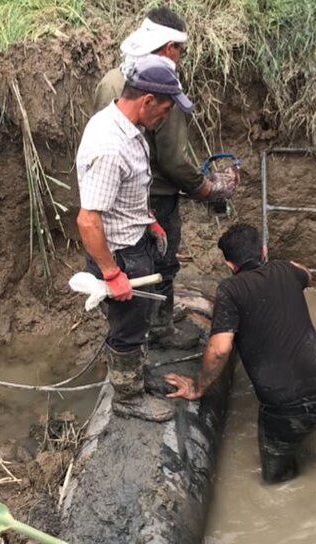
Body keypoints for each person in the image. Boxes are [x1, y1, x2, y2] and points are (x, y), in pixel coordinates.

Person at [94, 7, 239, 350]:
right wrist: (207, 188)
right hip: (156, 193)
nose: (181, 57)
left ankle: (142, 328)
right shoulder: (161, 87)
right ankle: (157, 333)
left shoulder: (111, 80)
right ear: (169, 48)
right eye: (180, 50)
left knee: (135, 265)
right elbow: (173, 159)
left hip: (121, 193)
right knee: (160, 263)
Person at [164, 224, 316, 483]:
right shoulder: (286, 270)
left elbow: (220, 349)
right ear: (263, 250)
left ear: (229, 264)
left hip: (288, 413)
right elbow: (307, 275)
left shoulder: (230, 291)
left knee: (277, 483)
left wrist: (198, 387)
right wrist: (290, 266)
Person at [76, 55, 194, 422]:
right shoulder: (110, 146)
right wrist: (112, 273)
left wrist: (150, 222)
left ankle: (138, 380)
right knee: (127, 329)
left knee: (139, 321)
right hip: (119, 253)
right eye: (165, 110)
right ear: (146, 101)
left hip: (133, 241)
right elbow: (89, 220)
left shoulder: (128, 128)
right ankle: (128, 398)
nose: (166, 117)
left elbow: (126, 194)